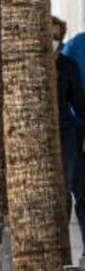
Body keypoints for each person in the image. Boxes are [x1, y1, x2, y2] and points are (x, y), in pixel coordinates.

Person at [53, 17, 85, 253]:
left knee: (72, 188)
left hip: (67, 131)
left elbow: (78, 102)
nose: (53, 41)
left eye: (57, 37)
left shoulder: (66, 65)